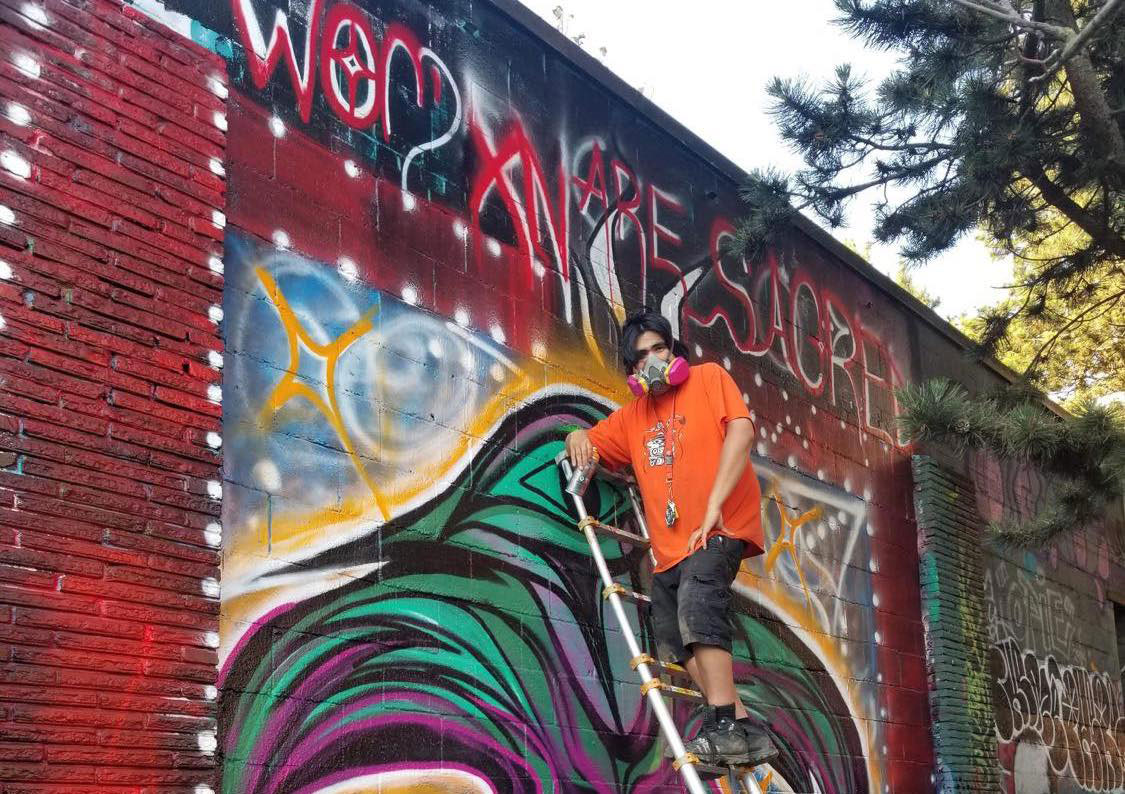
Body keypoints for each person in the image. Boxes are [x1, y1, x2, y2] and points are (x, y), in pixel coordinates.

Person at [565, 310, 779, 769]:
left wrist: (715, 505)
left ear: (673, 349)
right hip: (669, 552)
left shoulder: (707, 379)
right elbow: (591, 440)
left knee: (699, 611)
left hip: (718, 530)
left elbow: (741, 431)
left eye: (658, 348)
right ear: (632, 371)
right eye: (641, 356)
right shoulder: (631, 418)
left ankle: (722, 724)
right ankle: (743, 727)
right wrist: (576, 434)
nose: (652, 360)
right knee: (671, 640)